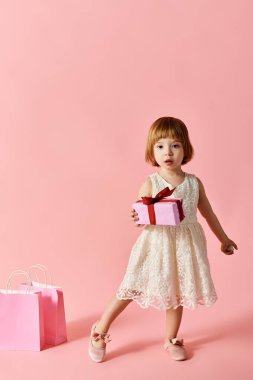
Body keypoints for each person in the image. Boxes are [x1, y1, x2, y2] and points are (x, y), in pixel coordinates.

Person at [88, 116, 238, 362]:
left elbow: (207, 212)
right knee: (130, 288)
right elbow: (142, 213)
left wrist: (223, 238)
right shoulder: (152, 182)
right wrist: (138, 216)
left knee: (176, 292)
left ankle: (171, 339)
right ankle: (100, 329)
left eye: (175, 145)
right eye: (160, 146)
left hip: (184, 247)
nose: (168, 152)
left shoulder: (193, 183)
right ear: (152, 151)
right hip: (156, 246)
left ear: (185, 149)